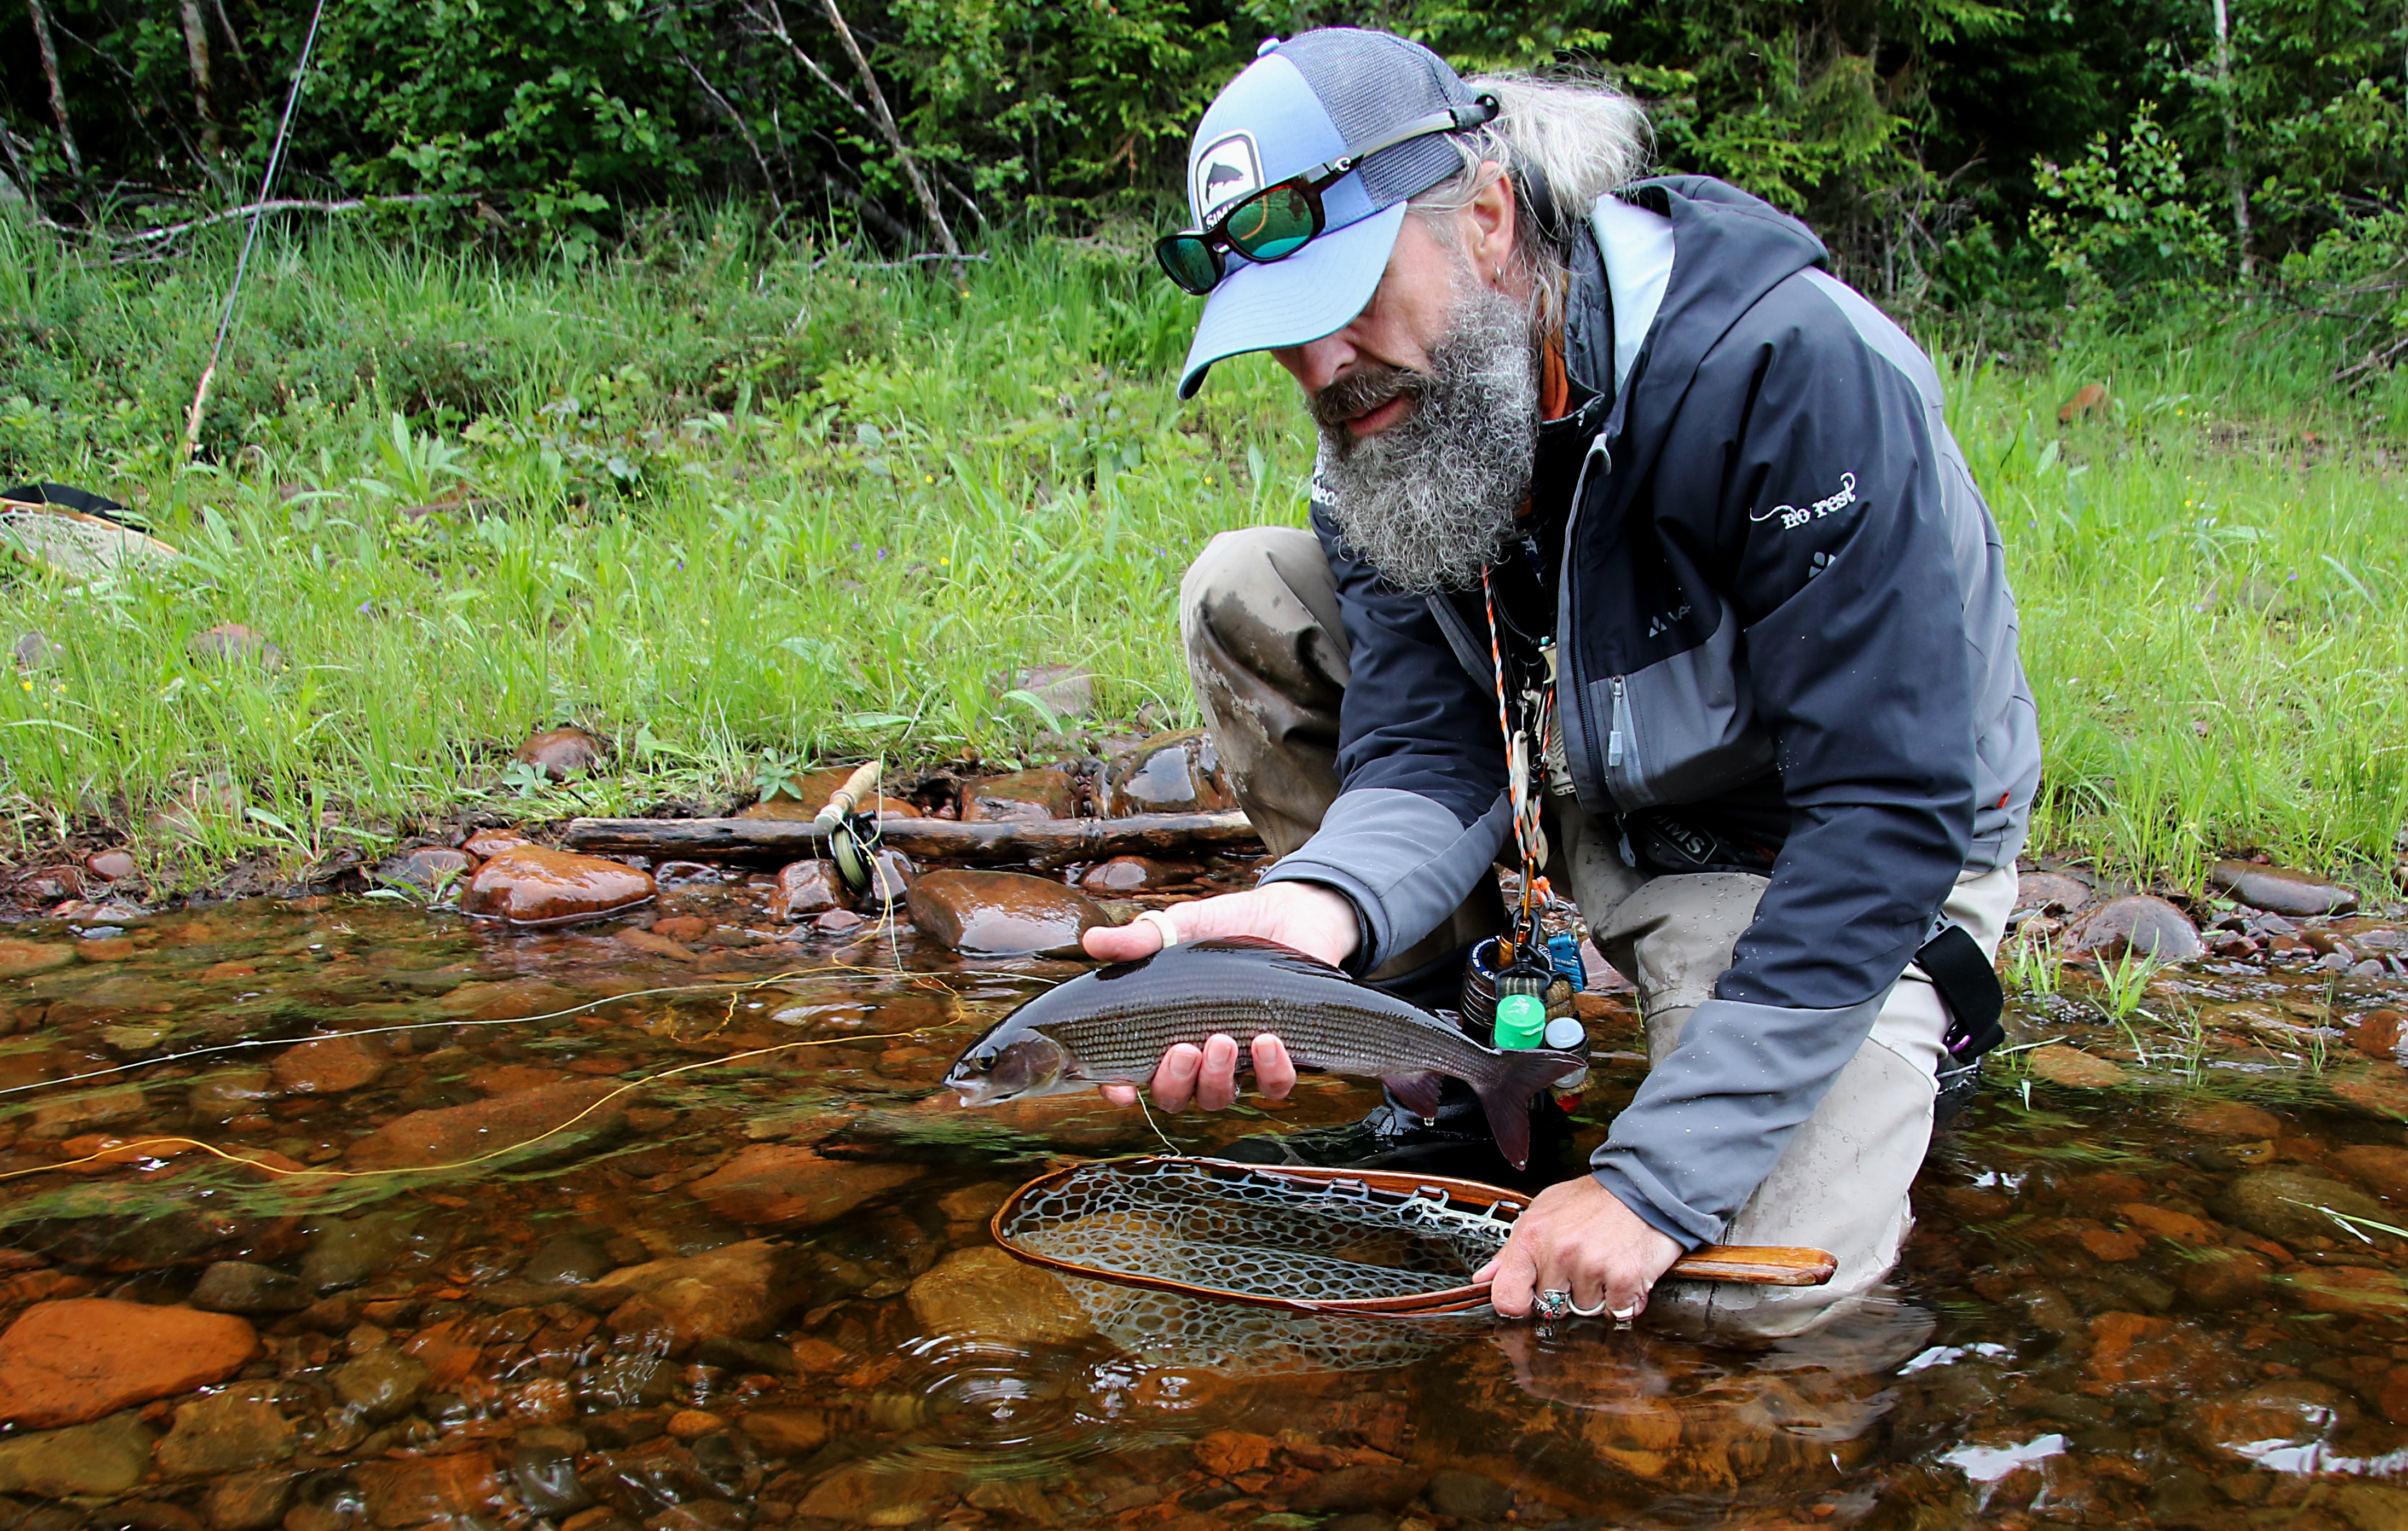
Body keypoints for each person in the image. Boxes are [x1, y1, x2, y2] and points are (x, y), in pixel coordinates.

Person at [1081, 27, 2039, 1339]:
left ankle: (1904, 1015)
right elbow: (1429, 748)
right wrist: (1313, 914)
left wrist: (1652, 1186)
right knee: (1246, 588)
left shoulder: (1782, 369)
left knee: (1727, 1305)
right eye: (1279, 337)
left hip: (1800, 850)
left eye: (1344, 298)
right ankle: (1451, 1063)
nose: (1319, 371)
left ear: (1483, 218)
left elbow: (1889, 807)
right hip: (1592, 776)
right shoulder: (1395, 423)